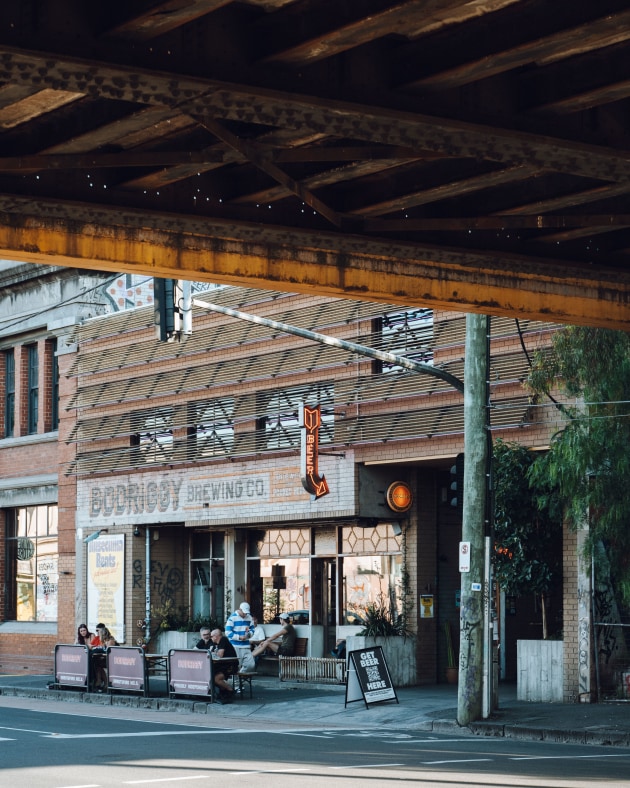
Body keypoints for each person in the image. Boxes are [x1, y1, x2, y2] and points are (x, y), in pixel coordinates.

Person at [208, 628, 238, 703]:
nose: (210, 638)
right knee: (210, 675)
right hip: (222, 665)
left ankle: (230, 690)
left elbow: (220, 655)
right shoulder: (215, 643)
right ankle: (222, 693)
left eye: (211, 636)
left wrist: (213, 653)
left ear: (216, 636)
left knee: (215, 679)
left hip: (230, 665)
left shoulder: (223, 640)